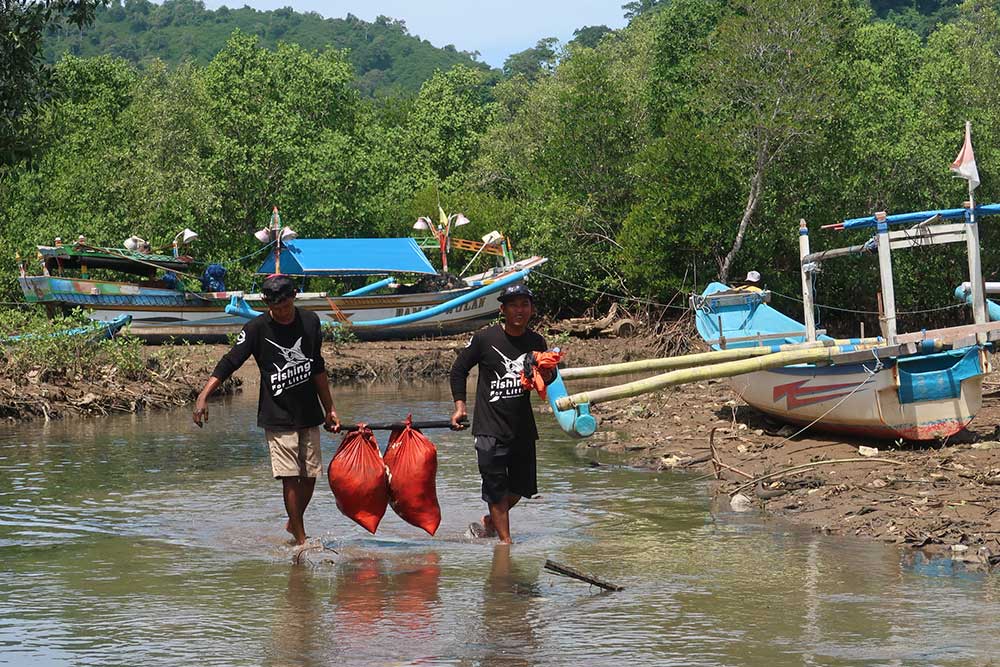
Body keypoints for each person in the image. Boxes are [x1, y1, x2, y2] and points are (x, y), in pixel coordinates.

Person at [192, 274, 340, 545]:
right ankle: (301, 538)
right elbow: (230, 362)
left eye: (285, 306)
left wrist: (329, 409)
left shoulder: (310, 321)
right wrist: (203, 396)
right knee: (289, 477)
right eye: (275, 309)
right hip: (277, 414)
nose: (281, 313)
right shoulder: (256, 328)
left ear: (294, 297)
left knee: (310, 477)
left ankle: (293, 522)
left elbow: (317, 367)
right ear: (266, 304)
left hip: (308, 412)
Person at [449, 283, 555, 544]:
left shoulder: (536, 342)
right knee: (496, 491)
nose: (520, 310)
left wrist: (548, 373)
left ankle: (491, 521)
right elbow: (458, 370)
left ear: (531, 309)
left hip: (522, 428)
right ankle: (506, 546)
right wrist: (460, 406)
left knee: (520, 489)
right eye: (514, 305)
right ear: (503, 309)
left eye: (525, 304)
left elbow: (547, 379)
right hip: (489, 428)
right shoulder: (485, 339)